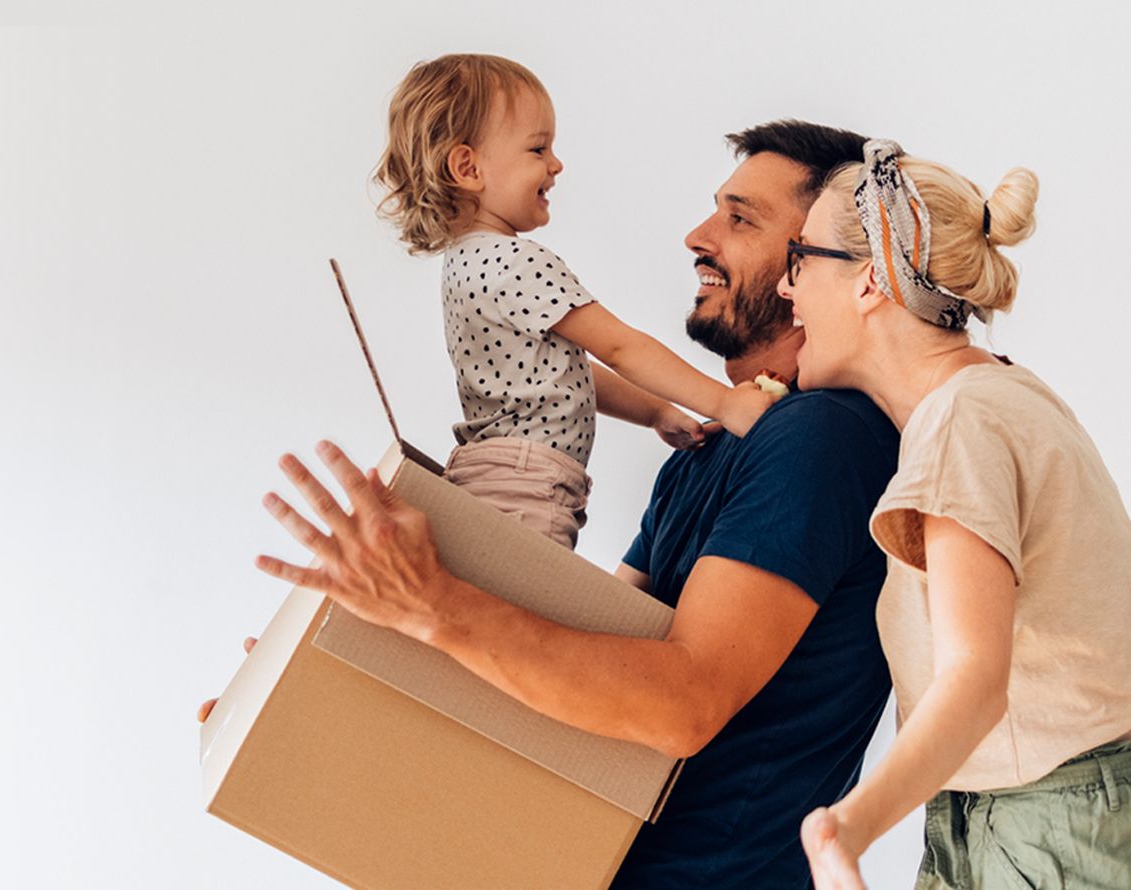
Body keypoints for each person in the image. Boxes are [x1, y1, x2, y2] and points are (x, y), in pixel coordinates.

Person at [248, 120, 899, 886]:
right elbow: (579, 669)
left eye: (740, 218)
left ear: (831, 264)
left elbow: (680, 705)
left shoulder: (823, 436)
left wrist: (428, 603)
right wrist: (347, 666)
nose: (699, 236)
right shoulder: (708, 449)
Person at [779, 140, 1131, 889]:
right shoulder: (996, 397)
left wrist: (846, 827)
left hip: (1075, 838)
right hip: (1078, 824)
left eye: (799, 259)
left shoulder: (962, 421)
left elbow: (975, 678)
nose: (784, 286)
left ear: (868, 281)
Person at [372, 54, 778, 548]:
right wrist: (725, 403)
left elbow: (564, 372)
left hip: (489, 476)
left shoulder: (465, 263)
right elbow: (619, 347)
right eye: (538, 148)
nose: (556, 164)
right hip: (527, 486)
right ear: (468, 168)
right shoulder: (517, 262)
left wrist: (655, 412)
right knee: (527, 610)